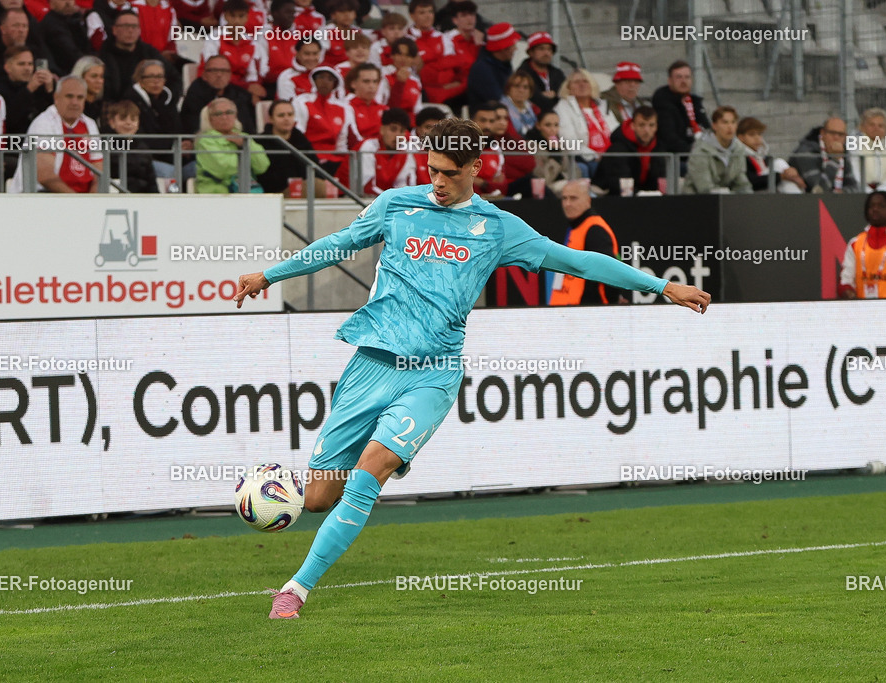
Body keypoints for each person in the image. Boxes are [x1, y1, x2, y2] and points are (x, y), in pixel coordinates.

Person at [231, 117, 711, 620]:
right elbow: (336, 246)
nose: (437, 181)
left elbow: (577, 262)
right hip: (369, 364)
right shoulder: (397, 205)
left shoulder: (498, 228)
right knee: (317, 497)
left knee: (370, 470)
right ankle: (282, 483)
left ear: (476, 169)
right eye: (432, 170)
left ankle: (295, 590)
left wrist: (661, 287)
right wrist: (268, 274)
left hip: (432, 373)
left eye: (449, 173)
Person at [11, 74, 103, 192]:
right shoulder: (43, 123)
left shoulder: (90, 124)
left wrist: (92, 201)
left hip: (82, 199)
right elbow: (45, 176)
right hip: (45, 196)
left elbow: (99, 171)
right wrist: (78, 203)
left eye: (80, 97)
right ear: (56, 97)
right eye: (69, 96)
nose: (75, 102)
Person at [549, 179, 624, 305]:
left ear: (588, 200)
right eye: (564, 198)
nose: (567, 204)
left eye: (573, 198)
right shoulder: (577, 227)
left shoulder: (594, 230)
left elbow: (611, 272)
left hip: (586, 313)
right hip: (569, 312)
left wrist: (613, 304)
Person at [127, 58, 192, 179]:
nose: (156, 81)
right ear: (140, 80)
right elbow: (139, 139)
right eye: (150, 77)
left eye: (160, 77)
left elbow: (178, 129)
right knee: (169, 172)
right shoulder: (132, 102)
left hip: (175, 156)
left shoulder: (168, 101)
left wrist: (186, 143)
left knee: (197, 168)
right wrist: (174, 146)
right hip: (145, 159)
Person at [99, 8, 181, 100]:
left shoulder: (149, 53)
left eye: (134, 26)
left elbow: (175, 79)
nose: (130, 30)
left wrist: (162, 100)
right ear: (114, 30)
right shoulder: (103, 55)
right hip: (115, 107)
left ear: (139, 30)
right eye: (125, 26)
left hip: (147, 107)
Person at [292, 65, 358, 177]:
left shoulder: (344, 108)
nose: (325, 81)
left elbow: (342, 141)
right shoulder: (301, 101)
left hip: (333, 159)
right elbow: (298, 134)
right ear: (314, 80)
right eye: (321, 77)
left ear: (335, 84)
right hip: (307, 155)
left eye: (330, 79)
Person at [195, 96, 271, 193]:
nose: (224, 117)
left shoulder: (244, 137)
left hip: (245, 190)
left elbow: (262, 166)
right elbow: (222, 170)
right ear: (210, 119)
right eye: (218, 114)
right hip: (215, 193)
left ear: (235, 116)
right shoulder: (205, 140)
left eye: (229, 112)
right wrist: (248, 163)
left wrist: (244, 145)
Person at [198, 0, 267, 105]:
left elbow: (252, 75)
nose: (237, 21)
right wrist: (246, 87)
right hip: (211, 87)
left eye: (241, 16)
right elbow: (213, 73)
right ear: (225, 16)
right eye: (233, 16)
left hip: (238, 90)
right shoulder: (214, 39)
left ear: (247, 17)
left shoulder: (251, 43)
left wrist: (254, 90)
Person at [554, 68, 617, 179]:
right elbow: (569, 140)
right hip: (586, 158)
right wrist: (594, 156)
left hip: (611, 156)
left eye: (585, 81)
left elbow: (617, 132)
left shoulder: (603, 106)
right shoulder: (562, 107)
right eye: (576, 82)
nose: (582, 85)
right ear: (568, 87)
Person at [651, 59, 709, 174]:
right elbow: (670, 139)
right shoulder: (663, 102)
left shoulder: (695, 102)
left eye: (687, 77)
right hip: (675, 159)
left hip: (698, 154)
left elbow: (707, 129)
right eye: (679, 77)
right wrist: (696, 152)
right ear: (670, 81)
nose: (684, 81)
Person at [595, 105, 666, 196]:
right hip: (610, 198)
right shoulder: (618, 149)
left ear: (656, 127)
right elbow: (618, 184)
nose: (647, 130)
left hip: (644, 198)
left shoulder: (659, 148)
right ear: (633, 126)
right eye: (641, 125)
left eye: (651, 125)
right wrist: (642, 194)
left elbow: (660, 179)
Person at [255, 98, 320, 194]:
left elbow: (315, 166)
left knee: (321, 184)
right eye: (281, 115)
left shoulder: (301, 140)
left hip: (302, 189)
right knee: (318, 186)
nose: (286, 118)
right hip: (273, 193)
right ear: (271, 119)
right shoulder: (259, 142)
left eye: (290, 114)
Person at [682, 105, 751, 195]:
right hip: (695, 200)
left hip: (725, 200)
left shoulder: (739, 149)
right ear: (714, 126)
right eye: (725, 122)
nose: (730, 127)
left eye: (733, 122)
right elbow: (704, 187)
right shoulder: (700, 151)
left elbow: (741, 182)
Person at [181, 54, 255, 135]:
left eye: (224, 71)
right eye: (214, 70)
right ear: (204, 75)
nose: (219, 75)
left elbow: (247, 127)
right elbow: (192, 125)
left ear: (230, 75)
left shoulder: (240, 95)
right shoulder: (195, 92)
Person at [0, 45, 55, 135]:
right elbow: (9, 120)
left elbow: (55, 118)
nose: (27, 68)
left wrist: (50, 90)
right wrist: (28, 90)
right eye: (21, 64)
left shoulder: (41, 87)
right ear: (7, 67)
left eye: (30, 64)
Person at [788, 116, 859, 194]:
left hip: (836, 200)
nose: (836, 138)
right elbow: (819, 190)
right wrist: (835, 160)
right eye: (832, 133)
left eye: (840, 134)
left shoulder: (843, 151)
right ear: (822, 133)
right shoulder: (806, 152)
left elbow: (854, 187)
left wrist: (842, 192)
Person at [735, 116, 804, 194]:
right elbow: (750, 180)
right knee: (778, 164)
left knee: (780, 164)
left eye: (759, 134)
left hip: (768, 192)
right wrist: (780, 176)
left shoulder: (763, 156)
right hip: (750, 194)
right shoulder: (738, 157)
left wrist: (791, 174)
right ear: (741, 138)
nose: (757, 138)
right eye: (752, 134)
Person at [357, 107, 416, 196]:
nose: (397, 135)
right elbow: (367, 187)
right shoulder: (368, 147)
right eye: (393, 129)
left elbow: (404, 187)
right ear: (382, 130)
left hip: (383, 200)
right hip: (347, 199)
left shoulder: (405, 152)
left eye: (402, 131)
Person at [432, 0, 479, 109]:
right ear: (455, 20)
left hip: (473, 85)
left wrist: (479, 44)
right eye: (464, 15)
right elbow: (450, 68)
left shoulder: (479, 39)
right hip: (457, 89)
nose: (469, 19)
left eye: (472, 15)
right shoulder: (447, 39)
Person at [103, 98, 157, 192]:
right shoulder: (105, 146)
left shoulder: (143, 148)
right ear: (112, 123)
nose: (128, 123)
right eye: (123, 118)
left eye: (133, 119)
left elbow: (152, 182)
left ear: (138, 123)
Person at [466, 22, 518, 108]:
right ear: (504, 48)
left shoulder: (504, 64)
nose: (516, 48)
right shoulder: (482, 69)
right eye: (513, 45)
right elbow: (498, 101)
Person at [39, 0, 93, 75]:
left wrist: (76, 17)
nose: (68, 2)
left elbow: (85, 45)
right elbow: (70, 54)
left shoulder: (71, 20)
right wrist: (90, 65)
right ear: (51, 3)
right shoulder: (52, 24)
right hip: (62, 73)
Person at [524, 109, 570, 196]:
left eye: (556, 125)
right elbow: (542, 178)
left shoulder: (560, 144)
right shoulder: (531, 145)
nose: (553, 129)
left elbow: (571, 170)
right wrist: (554, 153)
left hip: (563, 184)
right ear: (538, 125)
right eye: (548, 125)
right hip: (544, 189)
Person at [258, 0, 298, 99]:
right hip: (271, 86)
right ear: (275, 13)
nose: (292, 16)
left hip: (294, 83)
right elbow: (262, 70)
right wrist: (283, 76)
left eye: (293, 13)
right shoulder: (264, 35)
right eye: (288, 12)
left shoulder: (295, 37)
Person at [849, 107, 886, 192]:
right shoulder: (854, 146)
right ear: (862, 127)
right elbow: (855, 177)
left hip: (884, 192)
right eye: (871, 125)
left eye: (880, 126)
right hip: (860, 192)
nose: (876, 128)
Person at [517, 31, 564, 113]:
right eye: (541, 49)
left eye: (549, 49)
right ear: (531, 52)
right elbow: (533, 99)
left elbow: (567, 94)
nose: (546, 53)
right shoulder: (522, 74)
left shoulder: (557, 73)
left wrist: (555, 95)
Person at [380, 37, 422, 125]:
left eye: (408, 56)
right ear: (392, 55)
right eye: (400, 54)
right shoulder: (383, 75)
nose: (403, 59)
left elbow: (417, 110)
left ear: (413, 59)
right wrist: (400, 83)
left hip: (410, 125)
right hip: (388, 122)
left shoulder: (415, 81)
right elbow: (386, 107)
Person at [601, 61, 650, 126]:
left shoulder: (640, 104)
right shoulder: (604, 102)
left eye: (636, 82)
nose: (632, 86)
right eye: (628, 81)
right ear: (617, 84)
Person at [276, 36, 323, 102]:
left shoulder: (326, 74)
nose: (311, 58)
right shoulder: (287, 76)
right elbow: (288, 107)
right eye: (307, 54)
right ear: (297, 54)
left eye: (315, 54)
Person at [345, 63, 385, 140]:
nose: (371, 86)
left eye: (375, 81)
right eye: (366, 81)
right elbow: (353, 139)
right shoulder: (345, 107)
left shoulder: (384, 109)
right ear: (353, 84)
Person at [500, 70, 537, 137]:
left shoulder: (533, 108)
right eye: (517, 86)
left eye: (525, 87)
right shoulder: (501, 107)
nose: (521, 90)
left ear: (530, 91)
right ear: (508, 89)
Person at [71, 55, 105, 121]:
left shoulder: (104, 107)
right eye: (94, 76)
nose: (99, 81)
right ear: (80, 77)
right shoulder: (70, 107)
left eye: (101, 76)